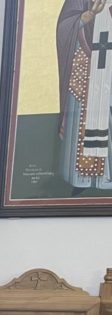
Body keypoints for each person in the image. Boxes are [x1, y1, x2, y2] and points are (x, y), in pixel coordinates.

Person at [57, 1, 112, 190]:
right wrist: (84, 17)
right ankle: (82, 179)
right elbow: (64, 25)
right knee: (84, 114)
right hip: (86, 66)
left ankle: (107, 177)